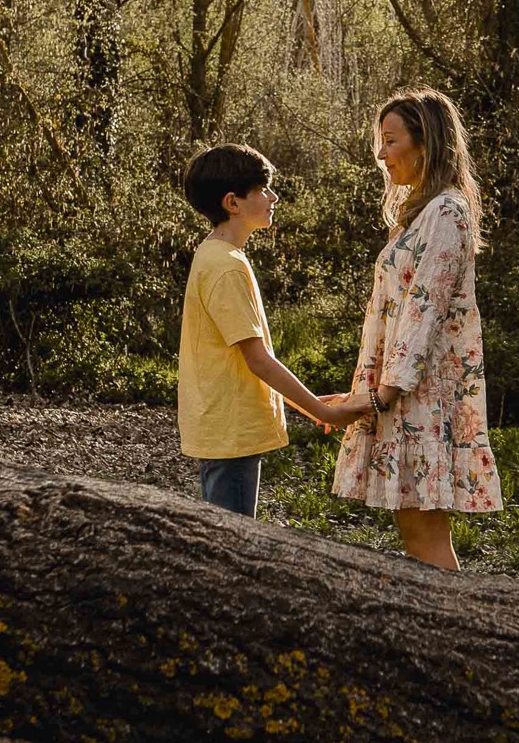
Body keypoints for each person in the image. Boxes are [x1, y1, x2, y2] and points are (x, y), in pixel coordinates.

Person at [332, 88, 502, 571]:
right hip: (403, 393)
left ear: (424, 143)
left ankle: (456, 634)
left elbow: (424, 311)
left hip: (422, 398)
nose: (381, 153)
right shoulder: (419, 214)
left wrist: (378, 396)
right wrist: (365, 394)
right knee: (415, 528)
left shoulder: (447, 211)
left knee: (425, 531)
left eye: (390, 140)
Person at [179, 142, 372, 517]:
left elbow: (244, 362)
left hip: (227, 430)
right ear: (232, 203)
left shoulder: (217, 256)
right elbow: (259, 361)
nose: (274, 197)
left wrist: (310, 406)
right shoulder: (225, 265)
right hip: (232, 434)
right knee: (232, 551)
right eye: (263, 189)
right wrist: (322, 411)